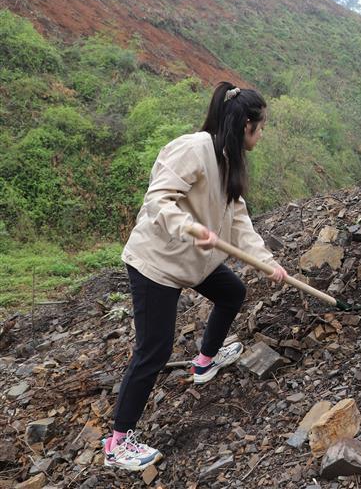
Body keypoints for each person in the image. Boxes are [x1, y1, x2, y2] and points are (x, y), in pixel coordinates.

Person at [102, 81, 287, 471]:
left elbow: (238, 220)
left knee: (232, 291)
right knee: (154, 350)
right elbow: (157, 199)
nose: (262, 133)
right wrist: (190, 227)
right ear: (245, 126)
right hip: (158, 263)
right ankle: (118, 444)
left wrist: (267, 261)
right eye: (261, 126)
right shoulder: (193, 148)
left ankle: (205, 361)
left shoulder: (229, 159)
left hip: (193, 259)